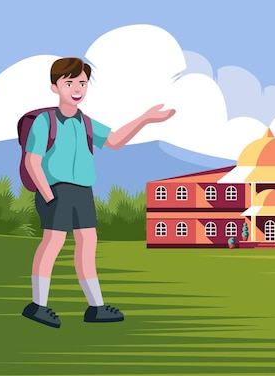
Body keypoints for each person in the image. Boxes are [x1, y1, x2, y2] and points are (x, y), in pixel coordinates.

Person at [21, 57, 176, 328]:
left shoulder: (86, 123)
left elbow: (115, 140)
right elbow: (32, 161)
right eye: (69, 82)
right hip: (56, 189)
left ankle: (96, 306)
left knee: (87, 245)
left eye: (82, 82)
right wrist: (47, 195)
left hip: (83, 190)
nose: (77, 88)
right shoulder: (45, 122)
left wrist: (146, 118)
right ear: (55, 87)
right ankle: (38, 305)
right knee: (52, 244)